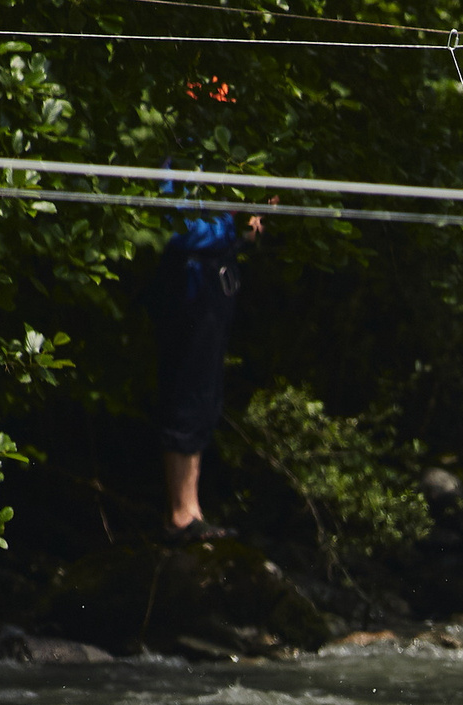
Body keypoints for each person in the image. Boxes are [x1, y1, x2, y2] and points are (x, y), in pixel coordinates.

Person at [152, 80, 264, 544]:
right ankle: (181, 512)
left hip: (217, 283)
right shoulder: (179, 156)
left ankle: (191, 508)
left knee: (207, 393)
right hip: (191, 284)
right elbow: (175, 227)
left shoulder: (218, 161)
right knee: (189, 388)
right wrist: (230, 223)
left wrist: (242, 227)